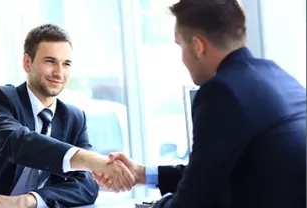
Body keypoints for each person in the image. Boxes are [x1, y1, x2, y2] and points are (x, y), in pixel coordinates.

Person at [93, 0, 306, 207]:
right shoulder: (279, 77)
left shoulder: (222, 91)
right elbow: (211, 172)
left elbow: (195, 198)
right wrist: (141, 174)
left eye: (180, 45)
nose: (182, 58)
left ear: (198, 46)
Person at [0, 24, 135, 208]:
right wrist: (92, 160)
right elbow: (19, 143)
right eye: (50, 61)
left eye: (66, 64)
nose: (59, 72)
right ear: (27, 63)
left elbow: (86, 185)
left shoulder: (74, 118)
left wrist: (31, 199)